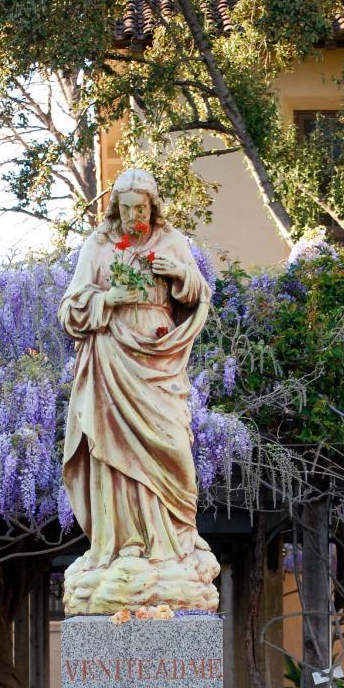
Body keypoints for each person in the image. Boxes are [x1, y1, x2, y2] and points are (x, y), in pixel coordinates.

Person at [59, 168, 219, 615]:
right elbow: (71, 309)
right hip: (112, 354)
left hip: (159, 358)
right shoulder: (99, 244)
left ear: (153, 207)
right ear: (116, 208)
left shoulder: (172, 241)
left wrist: (182, 274)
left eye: (142, 209)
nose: (135, 217)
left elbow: (200, 294)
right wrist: (108, 300)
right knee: (114, 452)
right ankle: (123, 544)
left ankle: (173, 544)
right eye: (127, 208)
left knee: (173, 450)